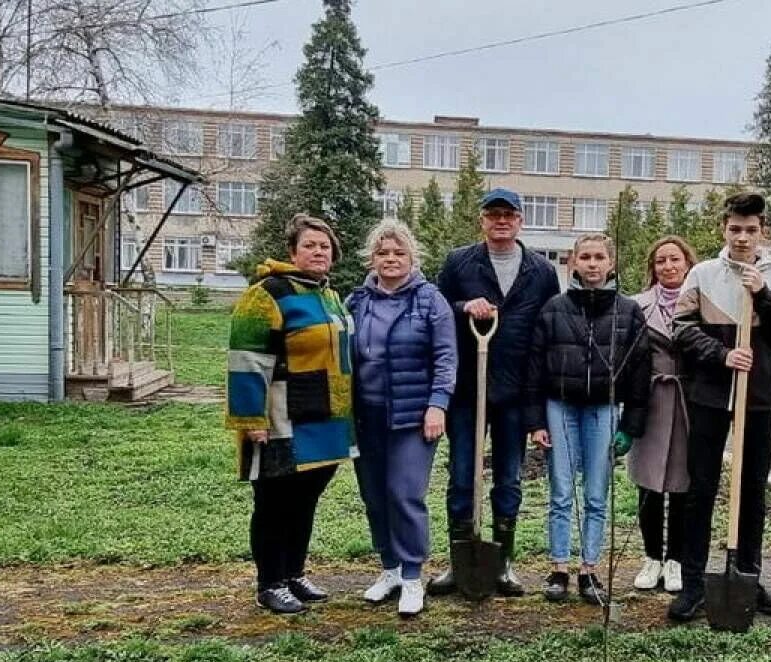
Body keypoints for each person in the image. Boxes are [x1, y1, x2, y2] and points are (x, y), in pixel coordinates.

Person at [667, 193, 771, 623]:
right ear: (724, 229)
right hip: (709, 395)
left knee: (752, 491)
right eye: (735, 229)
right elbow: (681, 330)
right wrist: (721, 354)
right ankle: (693, 584)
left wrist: (762, 296)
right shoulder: (703, 275)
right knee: (699, 489)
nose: (743, 237)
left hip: (759, 398)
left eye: (751, 229)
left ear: (763, 231)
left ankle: (747, 574)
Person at [430, 188, 561, 597]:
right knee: (463, 476)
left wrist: (539, 398)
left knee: (508, 479)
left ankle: (503, 563)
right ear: (481, 220)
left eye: (509, 214)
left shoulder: (540, 271)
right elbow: (437, 309)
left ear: (520, 220)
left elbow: (549, 329)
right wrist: (464, 307)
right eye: (493, 214)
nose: (501, 221)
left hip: (516, 392)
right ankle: (460, 560)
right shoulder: (458, 262)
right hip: (468, 390)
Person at [226, 214, 357, 615]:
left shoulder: (328, 295)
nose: (318, 252)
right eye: (309, 246)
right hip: (282, 419)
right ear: (292, 252)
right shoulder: (267, 294)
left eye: (324, 246)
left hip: (326, 420)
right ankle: (270, 582)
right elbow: (246, 359)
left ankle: (294, 573)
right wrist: (251, 419)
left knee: (305, 501)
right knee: (274, 503)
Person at [526, 233, 651, 604]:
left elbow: (640, 371)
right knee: (562, 491)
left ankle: (590, 569)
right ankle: (559, 568)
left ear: (611, 264)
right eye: (585, 257)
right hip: (559, 407)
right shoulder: (553, 309)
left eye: (600, 257)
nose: (592, 264)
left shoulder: (629, 312)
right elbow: (534, 367)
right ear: (573, 263)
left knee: (596, 493)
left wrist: (631, 425)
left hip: (603, 409)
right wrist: (535, 421)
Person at [347, 219, 457, 618]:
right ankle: (389, 570)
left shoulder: (430, 300)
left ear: (412, 258)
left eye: (399, 253)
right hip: (367, 415)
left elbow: (446, 357)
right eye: (382, 253)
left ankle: (413, 576)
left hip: (414, 417)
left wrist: (437, 405)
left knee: (404, 494)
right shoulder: (357, 301)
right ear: (372, 258)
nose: (390, 259)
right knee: (374, 496)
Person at [628, 236, 697, 593]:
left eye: (674, 259)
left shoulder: (703, 301)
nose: (668, 266)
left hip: (689, 401)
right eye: (660, 261)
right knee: (649, 483)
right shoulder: (636, 306)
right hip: (651, 400)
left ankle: (676, 560)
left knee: (683, 485)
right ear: (652, 268)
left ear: (687, 263)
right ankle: (652, 556)